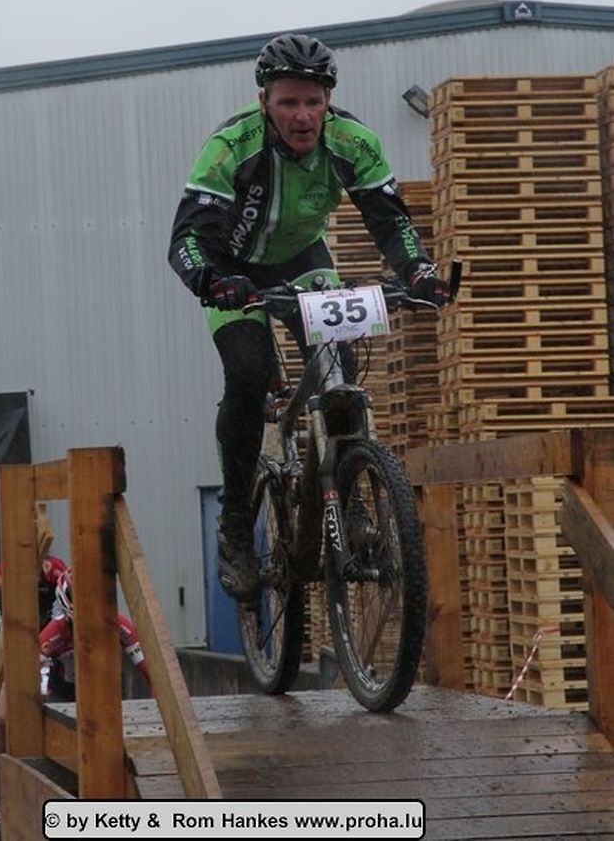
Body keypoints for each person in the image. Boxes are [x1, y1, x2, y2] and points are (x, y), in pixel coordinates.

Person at [167, 32, 453, 602]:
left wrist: (419, 271)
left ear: (328, 101)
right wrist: (211, 282)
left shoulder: (353, 141)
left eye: (313, 102)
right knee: (248, 376)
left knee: (339, 373)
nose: (302, 115)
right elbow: (186, 241)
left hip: (302, 259)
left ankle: (350, 502)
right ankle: (236, 525)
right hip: (230, 270)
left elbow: (389, 220)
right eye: (288, 102)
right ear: (264, 101)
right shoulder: (229, 147)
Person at [0, 553, 68, 840]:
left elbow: (71, 599)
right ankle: (2, 804)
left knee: (61, 715)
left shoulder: (53, 568)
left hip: (56, 643)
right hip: (10, 646)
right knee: (0, 721)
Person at [39, 568, 150, 701]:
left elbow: (148, 669)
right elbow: (31, 670)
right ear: (66, 598)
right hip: (64, 692)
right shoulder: (55, 630)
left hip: (103, 689)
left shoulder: (118, 623)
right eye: (79, 597)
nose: (87, 604)